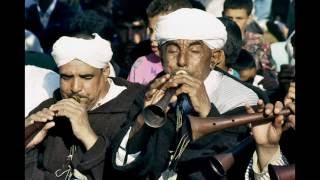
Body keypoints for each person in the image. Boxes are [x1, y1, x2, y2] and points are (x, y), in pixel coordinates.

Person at [111, 8, 263, 179]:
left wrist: (207, 112)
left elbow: (229, 167)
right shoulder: (150, 92)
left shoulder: (242, 100)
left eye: (195, 51)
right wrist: (141, 123)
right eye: (173, 50)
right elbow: (125, 167)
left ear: (215, 58)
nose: (182, 61)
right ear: (161, 55)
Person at [25, 33, 145, 180]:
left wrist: (86, 134)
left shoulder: (134, 108)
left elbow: (132, 173)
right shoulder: (51, 107)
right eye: (66, 77)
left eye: (86, 77)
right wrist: (27, 145)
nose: (75, 88)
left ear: (105, 71)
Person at [127, 0, 193, 85]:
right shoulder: (141, 65)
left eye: (160, 31)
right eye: (151, 30)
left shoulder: (197, 65)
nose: (152, 38)